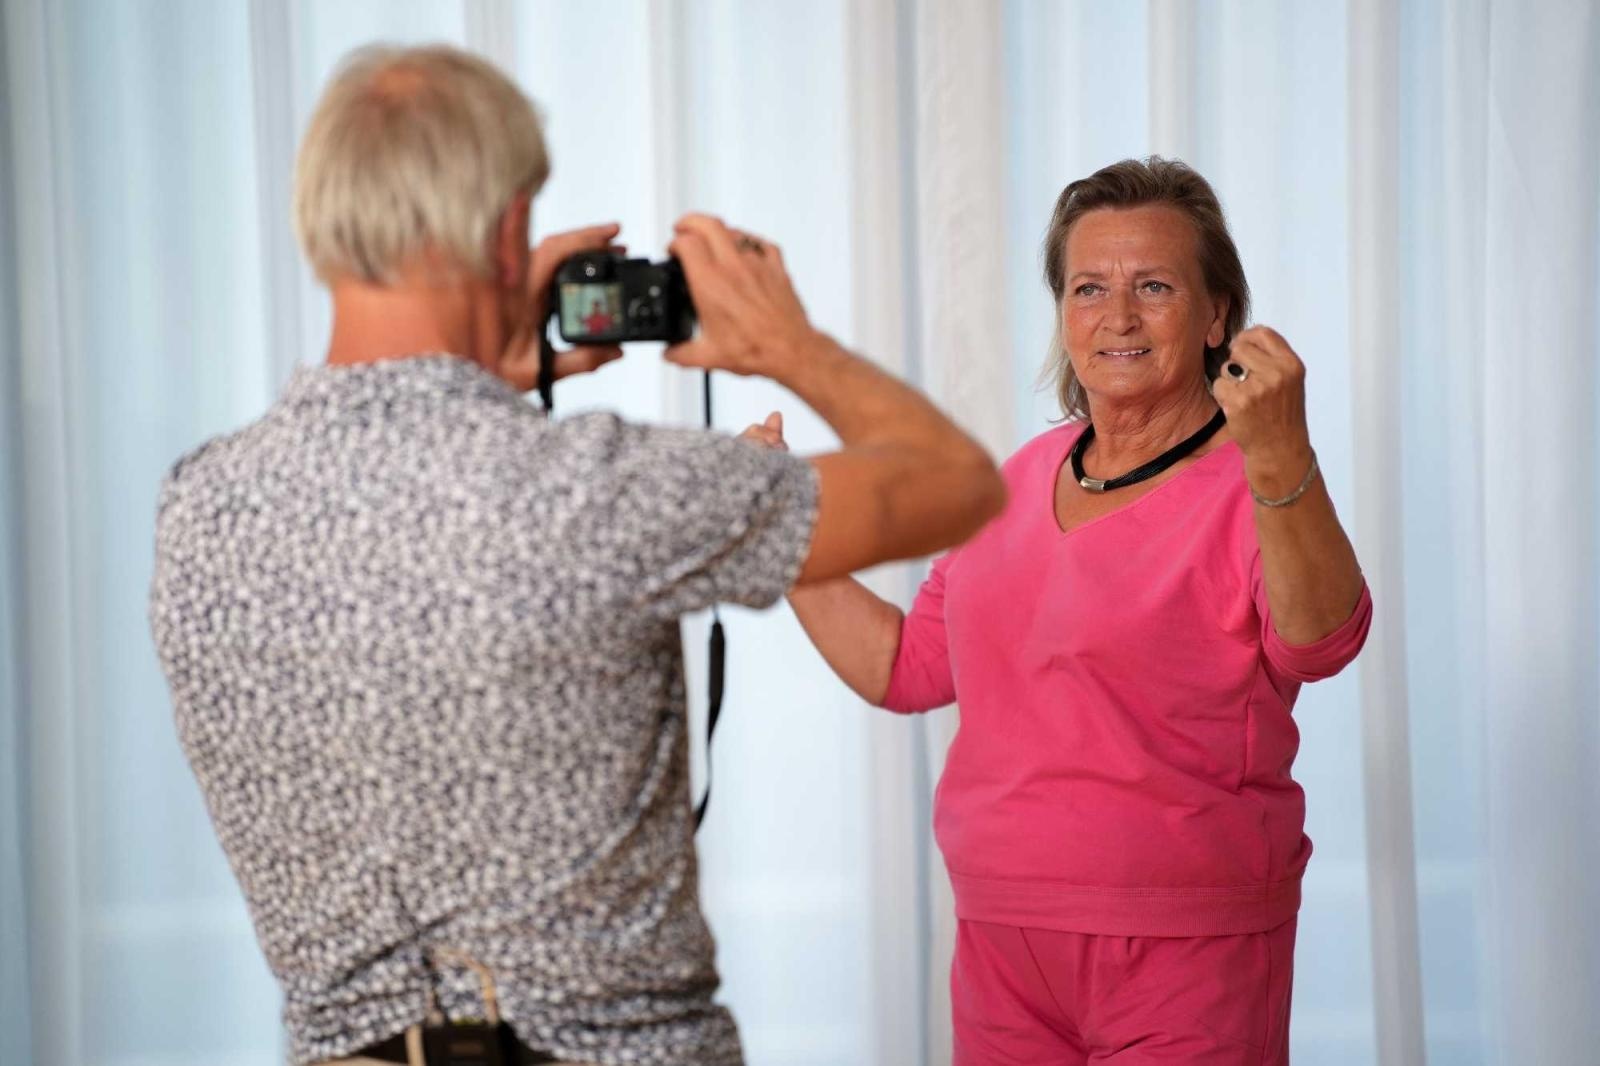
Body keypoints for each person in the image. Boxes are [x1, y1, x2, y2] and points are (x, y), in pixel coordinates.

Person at [148, 44, 1003, 1066]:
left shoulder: (199, 505)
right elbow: (955, 479)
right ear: (509, 233)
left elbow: (407, 514)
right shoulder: (594, 491)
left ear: (323, 226)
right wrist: (785, 344)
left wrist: (479, 373)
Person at [746, 157, 1372, 1064]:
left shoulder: (1254, 482)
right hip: (1003, 939)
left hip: (1187, 949)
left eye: (1153, 286)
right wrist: (782, 526)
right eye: (1088, 288)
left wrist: (1279, 456)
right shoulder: (1015, 480)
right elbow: (910, 669)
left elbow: (1322, 643)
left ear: (1215, 316)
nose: (1116, 317)